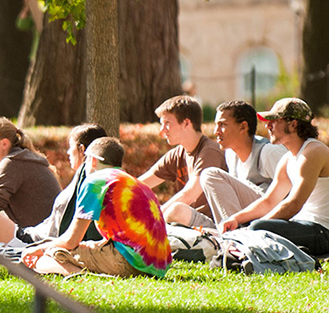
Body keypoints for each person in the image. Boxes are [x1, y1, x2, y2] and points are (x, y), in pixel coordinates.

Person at [21, 138, 172, 278]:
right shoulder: (135, 184)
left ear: (92, 160)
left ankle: (82, 276)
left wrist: (40, 247)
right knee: (84, 247)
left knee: (45, 257)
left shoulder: (95, 181)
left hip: (129, 263)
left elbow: (71, 241)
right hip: (157, 267)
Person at [0, 124, 106, 247]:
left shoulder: (89, 183)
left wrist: (40, 249)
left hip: (31, 240)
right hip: (34, 234)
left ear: (81, 149)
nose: (68, 152)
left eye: (70, 147)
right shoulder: (88, 180)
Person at [221, 98, 329, 256]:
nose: (267, 125)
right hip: (302, 226)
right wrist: (236, 219)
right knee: (252, 230)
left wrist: (255, 226)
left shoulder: (313, 151)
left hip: (322, 232)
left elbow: (294, 204)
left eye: (274, 121)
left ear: (293, 124)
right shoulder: (288, 159)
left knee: (257, 229)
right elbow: (269, 201)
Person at [139, 95, 227, 228]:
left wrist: (151, 220)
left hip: (215, 226)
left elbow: (189, 195)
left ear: (186, 123)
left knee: (177, 210)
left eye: (167, 123)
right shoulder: (178, 154)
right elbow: (139, 185)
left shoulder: (210, 152)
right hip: (187, 224)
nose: (162, 130)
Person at [199, 100, 286, 227]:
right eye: (216, 125)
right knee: (178, 211)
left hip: (270, 216)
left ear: (243, 127)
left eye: (222, 124)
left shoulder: (268, 152)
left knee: (209, 175)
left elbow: (294, 195)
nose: (216, 131)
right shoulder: (230, 154)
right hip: (246, 218)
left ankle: (234, 237)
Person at [0, 117, 61, 228]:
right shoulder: (20, 159)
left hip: (42, 237)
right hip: (46, 231)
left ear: (4, 144)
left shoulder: (13, 162)